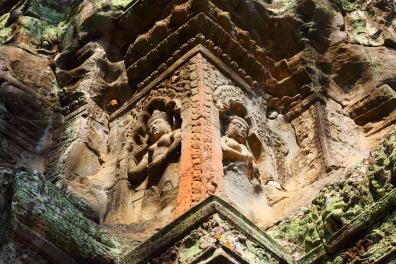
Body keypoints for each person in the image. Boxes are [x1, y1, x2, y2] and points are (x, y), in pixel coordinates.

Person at [127, 109, 181, 186]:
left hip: (169, 169)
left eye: (157, 123)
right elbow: (134, 173)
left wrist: (161, 161)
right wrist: (131, 156)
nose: (153, 127)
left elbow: (178, 141)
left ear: (168, 125)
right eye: (150, 127)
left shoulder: (172, 134)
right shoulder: (151, 149)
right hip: (152, 181)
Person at [221, 116, 259, 183]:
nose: (243, 130)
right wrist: (242, 158)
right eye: (239, 126)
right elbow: (224, 150)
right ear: (227, 126)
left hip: (244, 176)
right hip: (229, 170)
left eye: (245, 130)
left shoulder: (243, 147)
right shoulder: (224, 139)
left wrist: (252, 167)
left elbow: (253, 165)